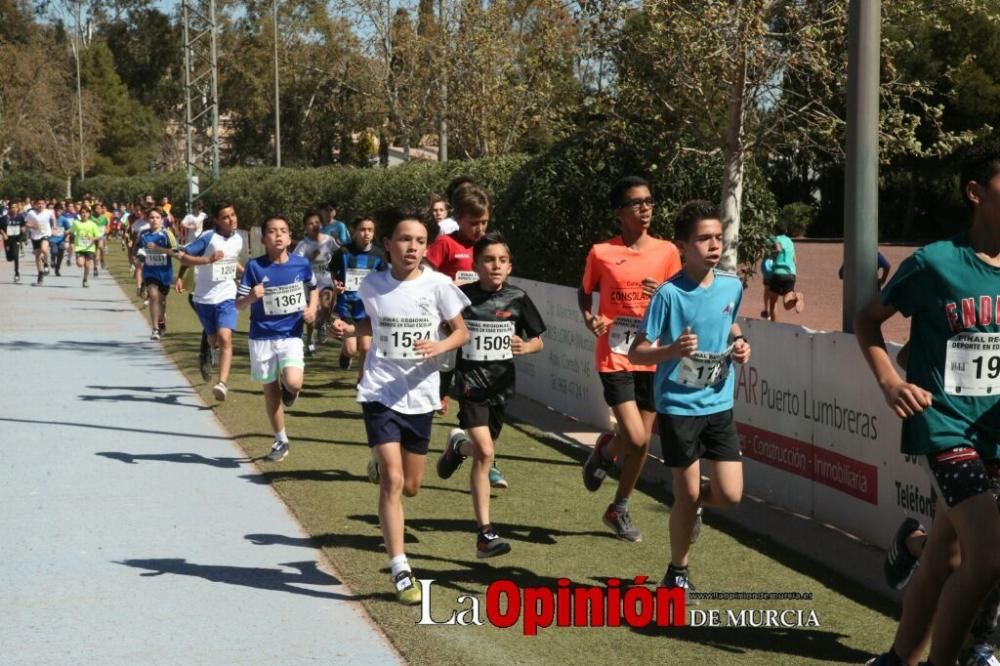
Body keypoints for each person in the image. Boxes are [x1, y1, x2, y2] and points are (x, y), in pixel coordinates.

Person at [857, 141, 1000, 666]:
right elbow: (867, 321)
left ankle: (898, 660)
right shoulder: (936, 263)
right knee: (986, 562)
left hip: (995, 433)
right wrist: (892, 382)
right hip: (944, 428)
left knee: (946, 555)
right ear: (974, 192)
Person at [329, 208, 469, 605]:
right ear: (387, 244)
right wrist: (344, 329)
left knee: (411, 486)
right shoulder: (372, 285)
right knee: (391, 482)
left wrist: (439, 346)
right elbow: (369, 326)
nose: (413, 247)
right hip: (379, 391)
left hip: (420, 395)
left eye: (420, 241)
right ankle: (400, 566)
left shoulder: (439, 286)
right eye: (405, 240)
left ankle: (412, 457)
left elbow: (462, 332)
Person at [628, 199, 750, 595]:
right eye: (703, 239)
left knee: (729, 495)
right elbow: (637, 352)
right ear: (682, 246)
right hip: (679, 406)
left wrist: (741, 343)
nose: (714, 245)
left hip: (719, 403)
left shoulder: (733, 285)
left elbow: (730, 323)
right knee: (688, 491)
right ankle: (677, 571)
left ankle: (692, 509)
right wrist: (672, 351)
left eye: (718, 237)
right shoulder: (668, 295)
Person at [579, 176, 682, 542]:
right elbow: (584, 291)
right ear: (619, 213)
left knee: (641, 442)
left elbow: (681, 302)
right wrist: (590, 317)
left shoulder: (668, 251)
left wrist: (665, 294)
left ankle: (617, 505)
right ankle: (608, 450)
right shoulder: (600, 252)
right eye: (636, 202)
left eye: (649, 201)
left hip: (653, 356)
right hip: (615, 355)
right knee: (637, 438)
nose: (645, 207)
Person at [436, 231, 546, 558]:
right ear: (476, 264)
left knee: (482, 451)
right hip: (470, 386)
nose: (495, 266)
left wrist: (527, 346)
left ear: (510, 266)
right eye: (488, 260)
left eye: (501, 260)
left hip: (501, 387)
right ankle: (485, 534)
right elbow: (445, 328)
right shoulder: (461, 297)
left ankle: (458, 446)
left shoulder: (518, 298)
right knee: (486, 454)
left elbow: (539, 339)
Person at [424, 185, 506, 486]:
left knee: (481, 395)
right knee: (455, 389)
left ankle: (480, 453)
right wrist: (441, 316)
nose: (479, 229)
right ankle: (472, 449)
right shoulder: (446, 244)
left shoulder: (488, 246)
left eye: (484, 222)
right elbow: (425, 277)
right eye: (474, 223)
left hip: (480, 336)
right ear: (459, 219)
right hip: (449, 331)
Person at [236, 215, 318, 463]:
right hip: (261, 335)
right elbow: (238, 304)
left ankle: (290, 389)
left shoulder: (301, 265)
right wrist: (252, 296)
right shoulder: (254, 266)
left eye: (283, 231)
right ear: (264, 238)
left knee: (293, 382)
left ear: (290, 237)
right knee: (270, 389)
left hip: (290, 334)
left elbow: (314, 287)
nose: (278, 235)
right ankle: (281, 440)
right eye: (273, 231)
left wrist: (313, 309)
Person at [176, 202, 244, 402]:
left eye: (233, 214)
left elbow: (232, 262)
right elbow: (184, 257)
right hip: (204, 297)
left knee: (225, 337)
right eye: (225, 217)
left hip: (228, 295)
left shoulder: (238, 239)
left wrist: (247, 273)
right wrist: (181, 275)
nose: (231, 219)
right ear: (217, 220)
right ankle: (207, 350)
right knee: (213, 340)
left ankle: (222, 383)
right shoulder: (208, 237)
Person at [330, 214, 386, 378]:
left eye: (370, 230)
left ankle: (362, 384)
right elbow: (333, 271)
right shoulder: (343, 252)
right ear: (354, 231)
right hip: (346, 306)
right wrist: (336, 285)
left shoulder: (379, 255)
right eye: (362, 229)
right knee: (351, 349)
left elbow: (384, 278)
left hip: (367, 307)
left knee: (366, 348)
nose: (366, 233)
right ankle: (345, 354)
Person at [291, 209, 340, 356]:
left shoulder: (329, 240)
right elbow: (294, 264)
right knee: (310, 317)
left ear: (322, 224)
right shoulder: (303, 245)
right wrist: (309, 260)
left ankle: (323, 324)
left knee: (326, 303)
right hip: (308, 283)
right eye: (310, 223)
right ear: (306, 227)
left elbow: (340, 254)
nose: (314, 225)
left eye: (317, 222)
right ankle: (310, 339)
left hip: (324, 278)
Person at [139, 209, 178, 340]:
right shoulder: (143, 235)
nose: (154, 220)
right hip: (150, 272)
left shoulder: (167, 234)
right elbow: (138, 251)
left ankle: (161, 321)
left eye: (157, 217)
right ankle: (155, 329)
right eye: (151, 217)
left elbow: (176, 252)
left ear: (162, 220)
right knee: (154, 296)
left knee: (161, 300)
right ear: (147, 219)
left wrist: (158, 248)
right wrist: (138, 259)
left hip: (165, 273)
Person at [761, 222, 804, 321]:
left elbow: (774, 251)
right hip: (791, 274)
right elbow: (795, 260)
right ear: (786, 231)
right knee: (787, 304)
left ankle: (774, 325)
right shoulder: (790, 241)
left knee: (773, 301)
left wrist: (769, 256)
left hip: (778, 273)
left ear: (774, 230)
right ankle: (795, 297)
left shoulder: (773, 239)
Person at [24, 197, 53, 285]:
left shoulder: (48, 212)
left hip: (46, 234)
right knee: (37, 256)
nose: (40, 205)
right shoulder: (31, 213)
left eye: (42, 203)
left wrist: (54, 227)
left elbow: (53, 219)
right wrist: (32, 226)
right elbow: (26, 223)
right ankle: (40, 273)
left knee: (44, 249)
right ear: (35, 205)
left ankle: (46, 264)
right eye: (38, 203)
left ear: (45, 204)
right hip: (35, 236)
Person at [69, 208, 101, 287]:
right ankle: (81, 265)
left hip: (90, 248)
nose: (84, 214)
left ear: (89, 214)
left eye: (86, 213)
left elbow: (98, 236)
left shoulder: (93, 224)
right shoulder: (76, 223)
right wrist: (69, 239)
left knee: (87, 265)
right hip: (79, 247)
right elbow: (71, 232)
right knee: (80, 264)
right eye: (82, 212)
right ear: (80, 214)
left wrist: (92, 238)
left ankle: (85, 279)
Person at [2, 201, 24, 283]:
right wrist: (3, 233)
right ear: (9, 208)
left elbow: (24, 225)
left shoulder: (20, 217)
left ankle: (17, 273)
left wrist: (24, 228)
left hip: (16, 239)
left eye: (15, 207)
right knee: (9, 258)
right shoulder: (4, 218)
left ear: (17, 208)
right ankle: (10, 256)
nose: (14, 209)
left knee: (16, 256)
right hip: (7, 240)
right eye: (12, 207)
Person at [48, 203, 71, 276]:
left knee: (60, 255)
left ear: (62, 211)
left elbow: (69, 228)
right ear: (54, 211)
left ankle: (57, 269)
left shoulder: (64, 219)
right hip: (52, 239)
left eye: (59, 211)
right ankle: (52, 259)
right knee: (54, 251)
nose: (58, 212)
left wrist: (67, 232)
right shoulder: (51, 219)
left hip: (61, 240)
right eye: (56, 211)